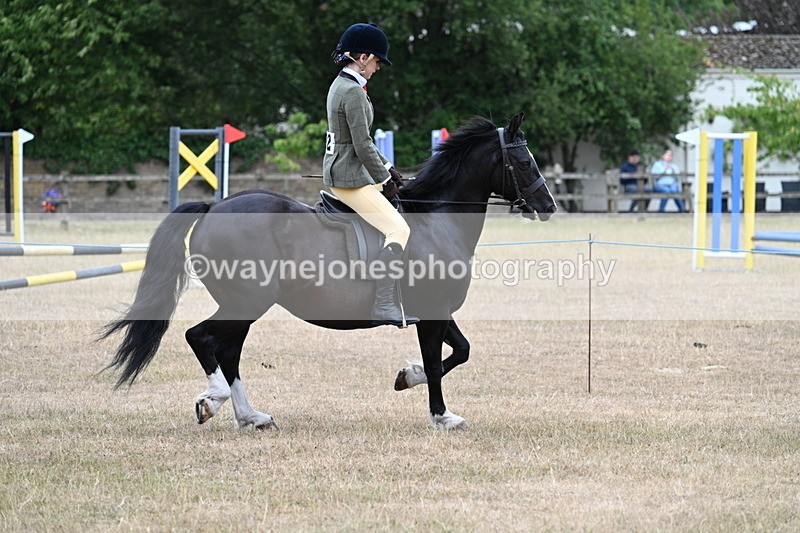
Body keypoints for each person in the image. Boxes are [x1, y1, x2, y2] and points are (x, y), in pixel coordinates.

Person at [323, 22, 418, 328]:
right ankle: (384, 304)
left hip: (347, 170)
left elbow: (362, 144)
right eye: (377, 62)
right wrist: (386, 179)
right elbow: (363, 145)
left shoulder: (343, 85)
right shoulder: (351, 92)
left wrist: (388, 168)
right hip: (350, 179)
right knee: (399, 230)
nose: (377, 68)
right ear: (362, 57)